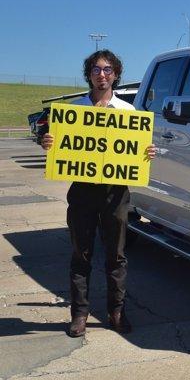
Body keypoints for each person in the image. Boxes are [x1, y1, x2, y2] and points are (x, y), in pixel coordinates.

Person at [41, 50, 156, 337]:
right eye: (96, 69)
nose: (101, 74)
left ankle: (117, 311)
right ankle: (79, 314)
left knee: (116, 256)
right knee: (81, 254)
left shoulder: (128, 113)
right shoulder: (75, 110)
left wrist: (147, 152)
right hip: (82, 192)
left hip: (115, 193)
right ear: (89, 74)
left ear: (115, 74)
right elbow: (59, 146)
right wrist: (49, 142)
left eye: (107, 69)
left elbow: (137, 150)